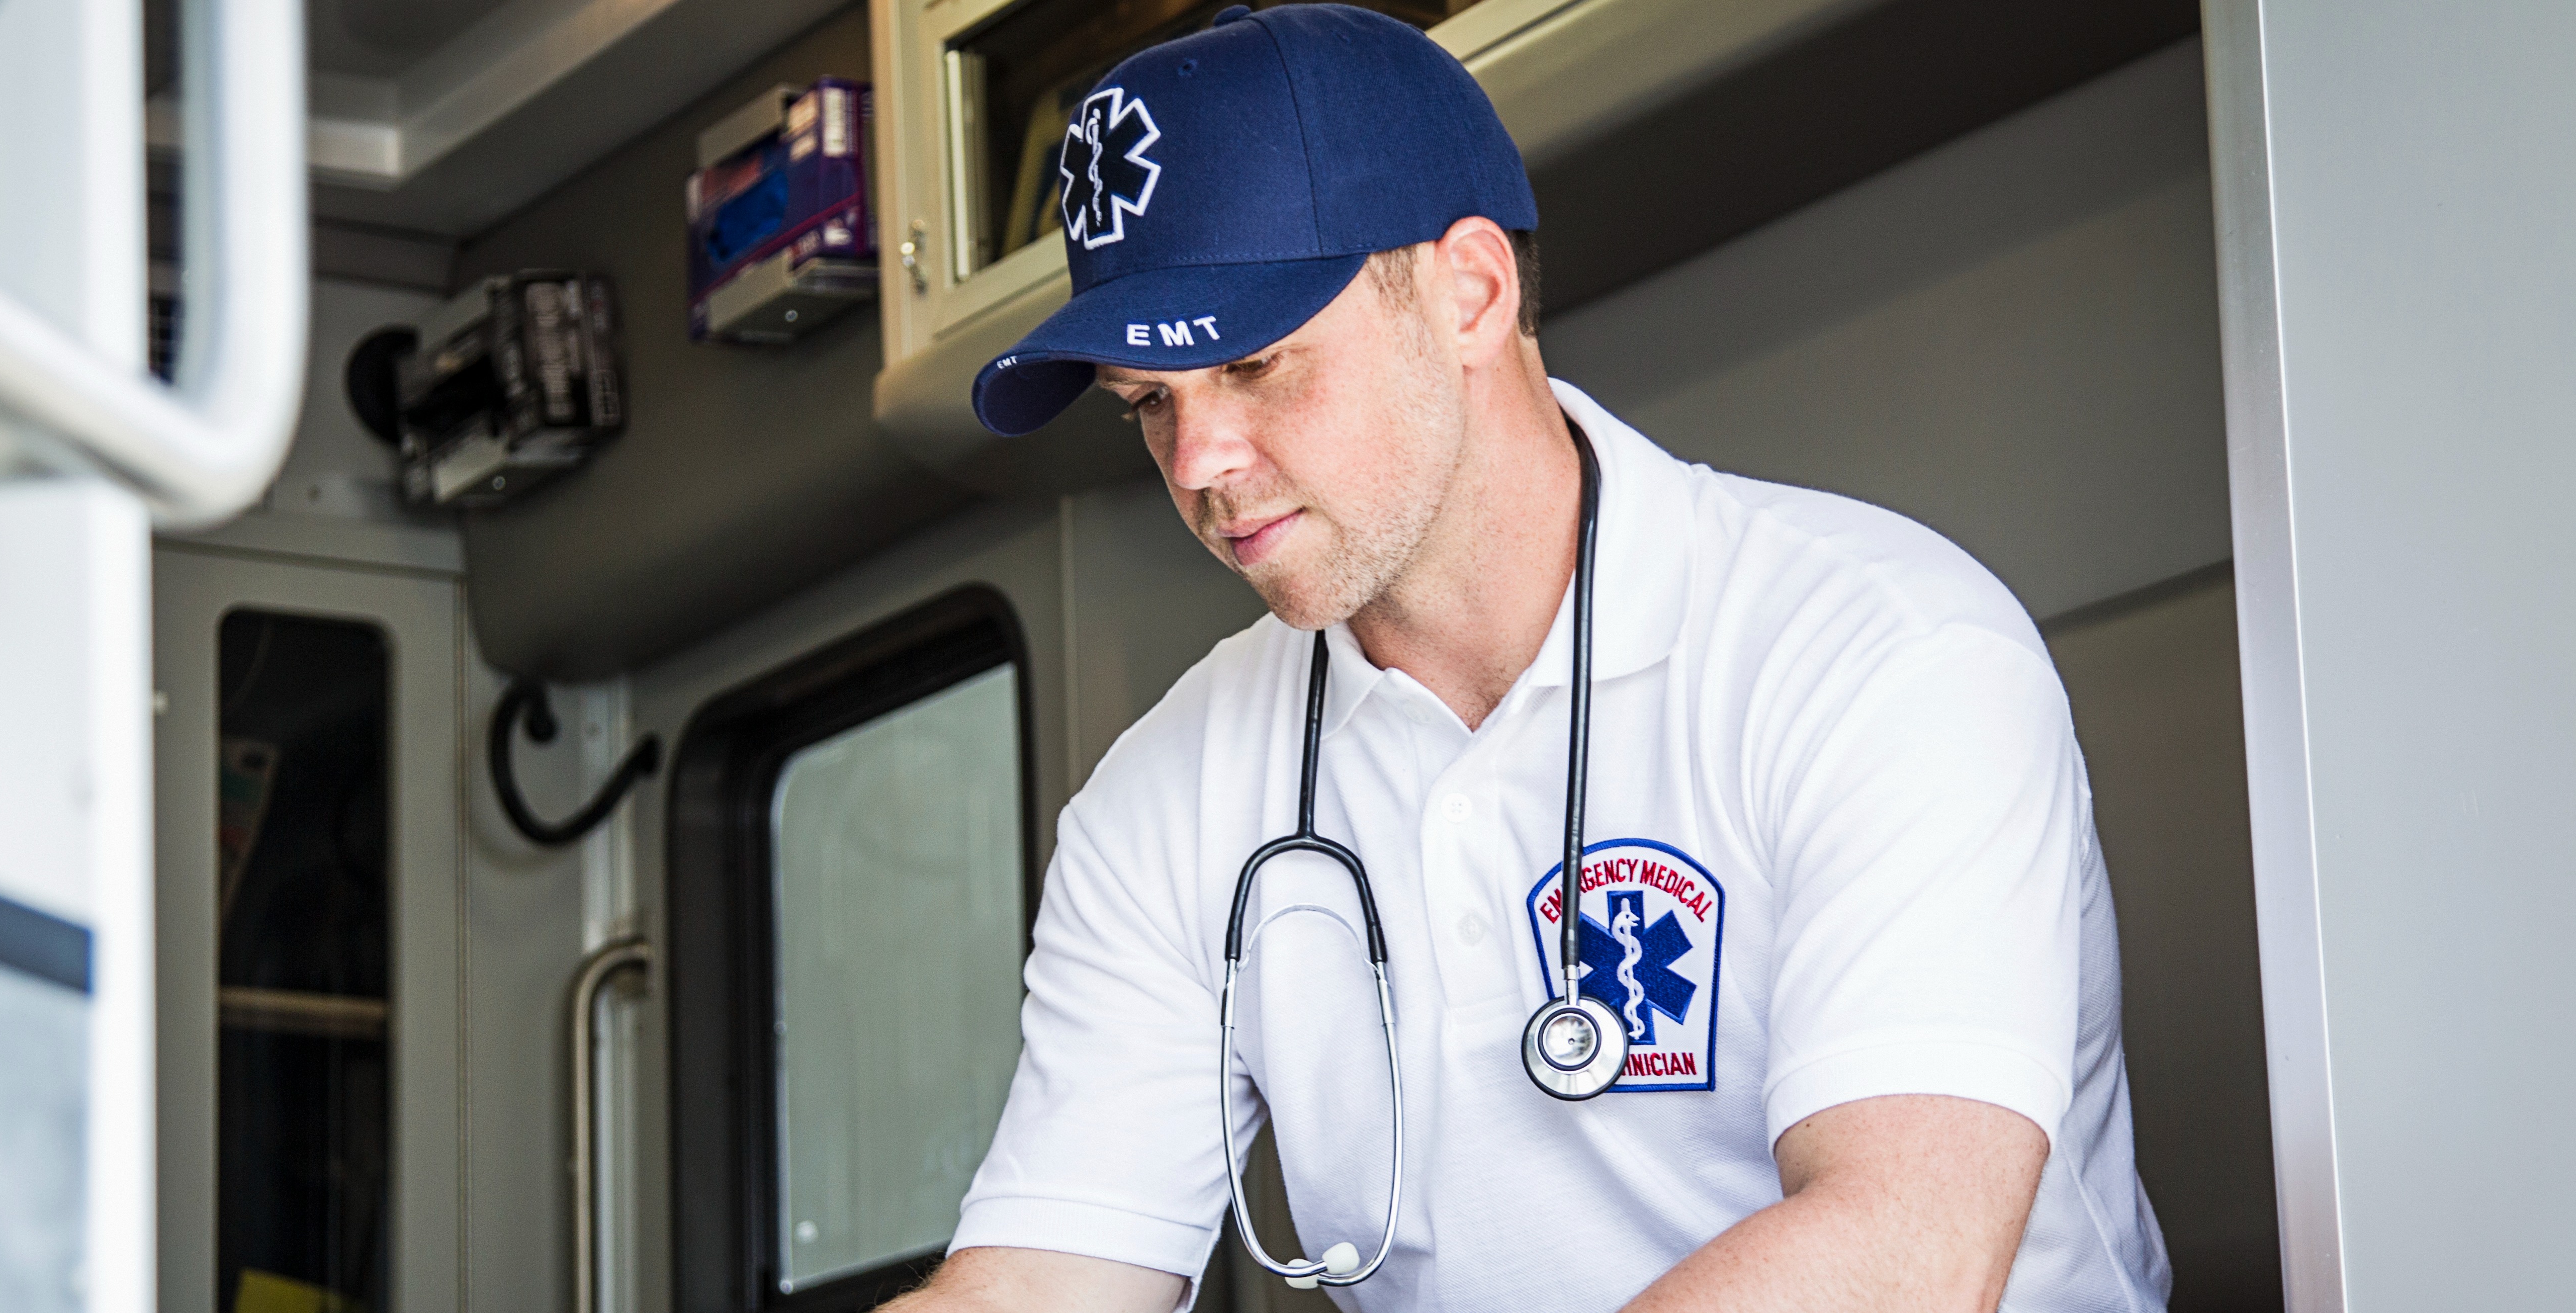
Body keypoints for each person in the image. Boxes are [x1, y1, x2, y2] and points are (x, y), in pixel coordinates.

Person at [896, 6, 2170, 1310]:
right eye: (1150, 404)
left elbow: (1901, 1250)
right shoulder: (1166, 796)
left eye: (1258, 365)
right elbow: (1041, 1282)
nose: (1200, 463)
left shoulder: (1876, 651)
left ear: (1471, 291)